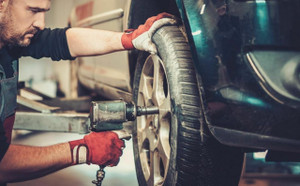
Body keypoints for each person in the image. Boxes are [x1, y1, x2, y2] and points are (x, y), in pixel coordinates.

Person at [0, 0, 176, 184]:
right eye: (33, 10)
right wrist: (84, 150)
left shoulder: (9, 40)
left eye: (44, 11)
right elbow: (2, 165)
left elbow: (61, 41)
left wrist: (128, 39)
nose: (41, 23)